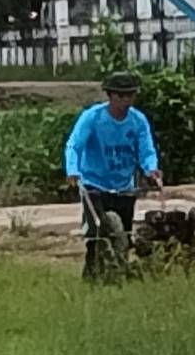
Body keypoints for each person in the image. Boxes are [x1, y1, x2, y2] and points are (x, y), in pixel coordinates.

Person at [63, 71, 162, 279]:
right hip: (94, 184)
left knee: (123, 234)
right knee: (96, 233)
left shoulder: (138, 120)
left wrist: (151, 170)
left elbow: (146, 150)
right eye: (121, 96)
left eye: (130, 95)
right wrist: (72, 170)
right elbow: (74, 145)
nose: (126, 101)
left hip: (124, 186)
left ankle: (120, 274)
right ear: (110, 95)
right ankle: (92, 275)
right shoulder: (92, 117)